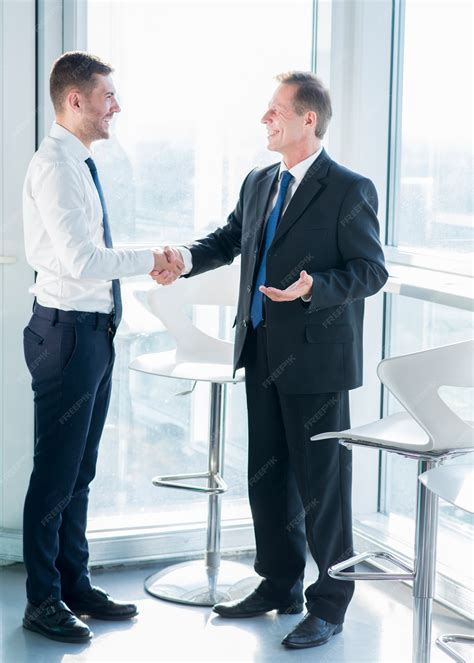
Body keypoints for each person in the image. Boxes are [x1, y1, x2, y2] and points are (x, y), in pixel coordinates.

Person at [153, 71, 388, 650]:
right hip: (260, 352)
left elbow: (372, 270)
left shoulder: (348, 188)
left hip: (317, 362)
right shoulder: (260, 181)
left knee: (322, 489)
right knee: (268, 478)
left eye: (275, 110)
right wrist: (183, 258)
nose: (265, 119)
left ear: (308, 119)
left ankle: (329, 604)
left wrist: (315, 288)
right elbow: (230, 239)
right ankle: (277, 583)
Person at [21, 51, 182, 644]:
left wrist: (148, 264)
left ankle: (73, 583)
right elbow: (82, 261)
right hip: (66, 334)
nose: (117, 105)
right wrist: (154, 260)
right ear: (76, 100)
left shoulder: (78, 162)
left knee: (80, 470)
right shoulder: (58, 167)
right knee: (56, 473)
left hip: (90, 332)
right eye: (108, 95)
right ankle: (43, 600)